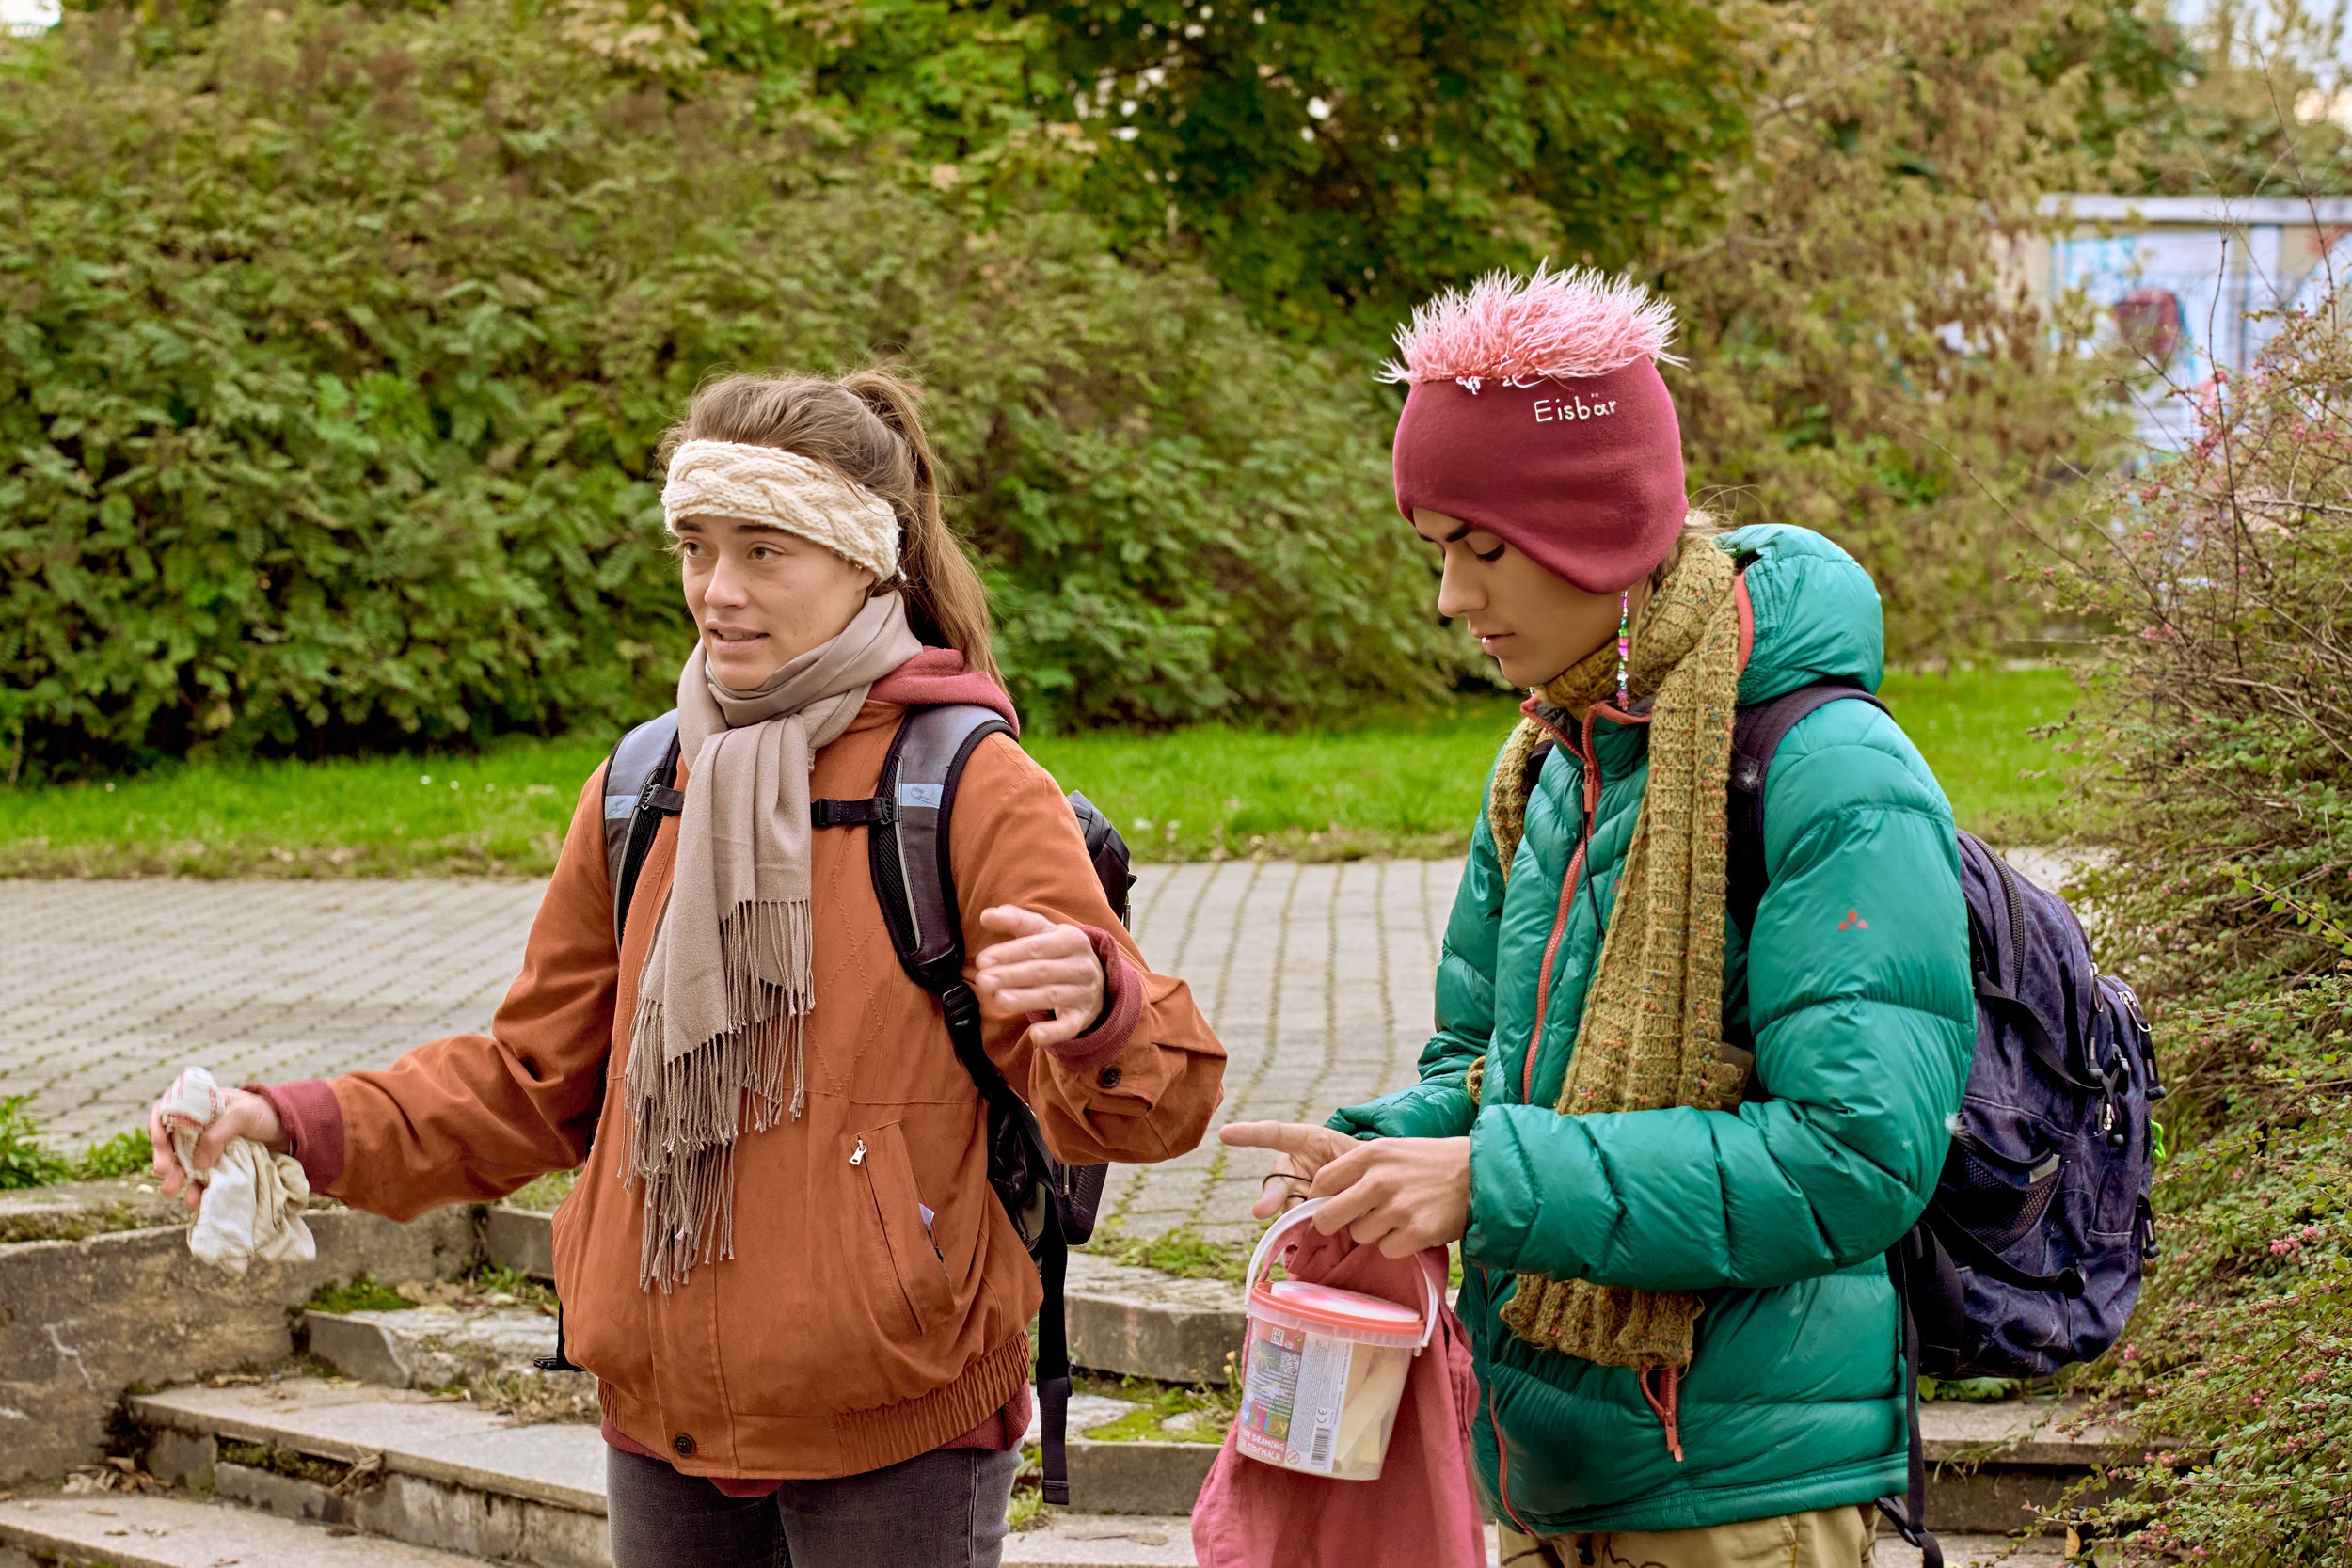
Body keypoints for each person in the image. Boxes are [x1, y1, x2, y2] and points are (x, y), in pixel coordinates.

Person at [150, 369, 1228, 1568]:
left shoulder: (965, 781)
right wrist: (292, 1120)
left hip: (896, 1426)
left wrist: (1098, 1007)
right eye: (697, 546)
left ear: (869, 561)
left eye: (766, 551)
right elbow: (530, 1081)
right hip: (661, 1424)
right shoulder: (641, 784)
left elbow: (1155, 1101)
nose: (719, 592)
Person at [1223, 267, 1974, 1568]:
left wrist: (1490, 1180)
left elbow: (1857, 1158)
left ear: (1597, 528)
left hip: (1740, 1497)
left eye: (1485, 548)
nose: (1451, 599)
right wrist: (1384, 1152)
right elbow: (1488, 1069)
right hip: (1541, 1472)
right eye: (1438, 550)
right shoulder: (1552, 758)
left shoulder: (1830, 770)